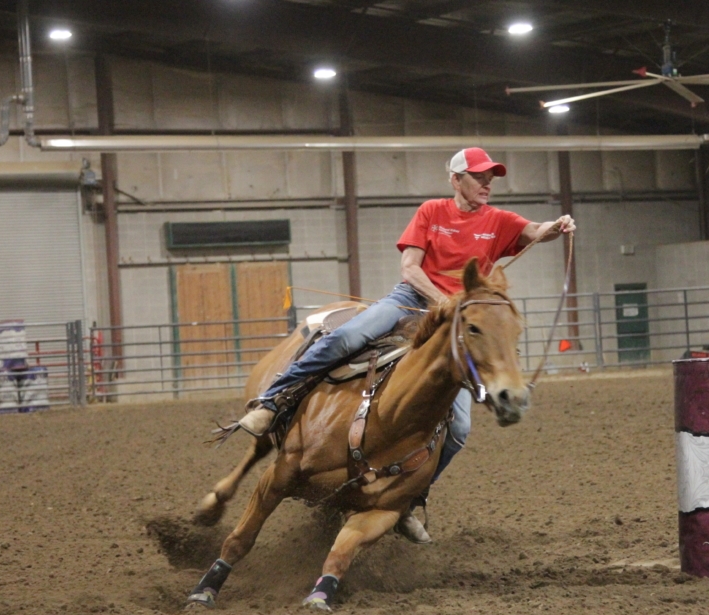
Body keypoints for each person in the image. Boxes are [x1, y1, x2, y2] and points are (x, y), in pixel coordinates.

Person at [233, 146, 576, 543]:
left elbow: (536, 231)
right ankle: (272, 401)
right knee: (346, 337)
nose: (487, 183)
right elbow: (410, 269)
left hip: (456, 326)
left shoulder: (498, 220)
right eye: (479, 176)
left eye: (490, 178)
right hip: (411, 301)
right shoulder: (432, 212)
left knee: (459, 429)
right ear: (456, 179)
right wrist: (441, 301)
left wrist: (558, 225)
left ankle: (409, 500)